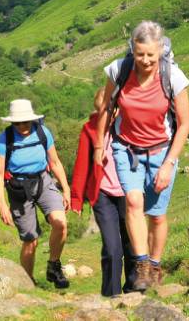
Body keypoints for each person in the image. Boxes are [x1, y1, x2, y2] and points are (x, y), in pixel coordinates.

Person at [94, 20, 189, 291]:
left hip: (161, 151)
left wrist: (169, 164)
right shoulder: (119, 70)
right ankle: (142, 266)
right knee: (134, 203)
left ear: (160, 50)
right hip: (126, 148)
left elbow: (184, 124)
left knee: (157, 215)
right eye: (140, 54)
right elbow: (106, 107)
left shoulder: (173, 76)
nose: (145, 60)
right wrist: (99, 147)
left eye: (151, 54)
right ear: (132, 50)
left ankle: (156, 265)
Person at [0, 98, 71, 287]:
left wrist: (66, 189)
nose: (22, 126)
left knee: (60, 223)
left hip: (43, 180)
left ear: (32, 119)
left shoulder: (43, 132)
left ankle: (54, 265)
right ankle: (28, 283)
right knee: (30, 240)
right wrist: (2, 205)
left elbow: (55, 163)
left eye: (25, 122)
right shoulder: (5, 139)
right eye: (17, 123)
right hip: (18, 189)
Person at [71, 89, 135, 296]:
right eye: (102, 109)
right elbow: (82, 165)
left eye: (111, 108)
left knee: (132, 241)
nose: (107, 113)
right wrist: (76, 199)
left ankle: (134, 288)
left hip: (129, 191)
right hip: (103, 194)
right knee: (111, 247)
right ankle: (111, 295)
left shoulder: (130, 125)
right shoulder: (89, 129)